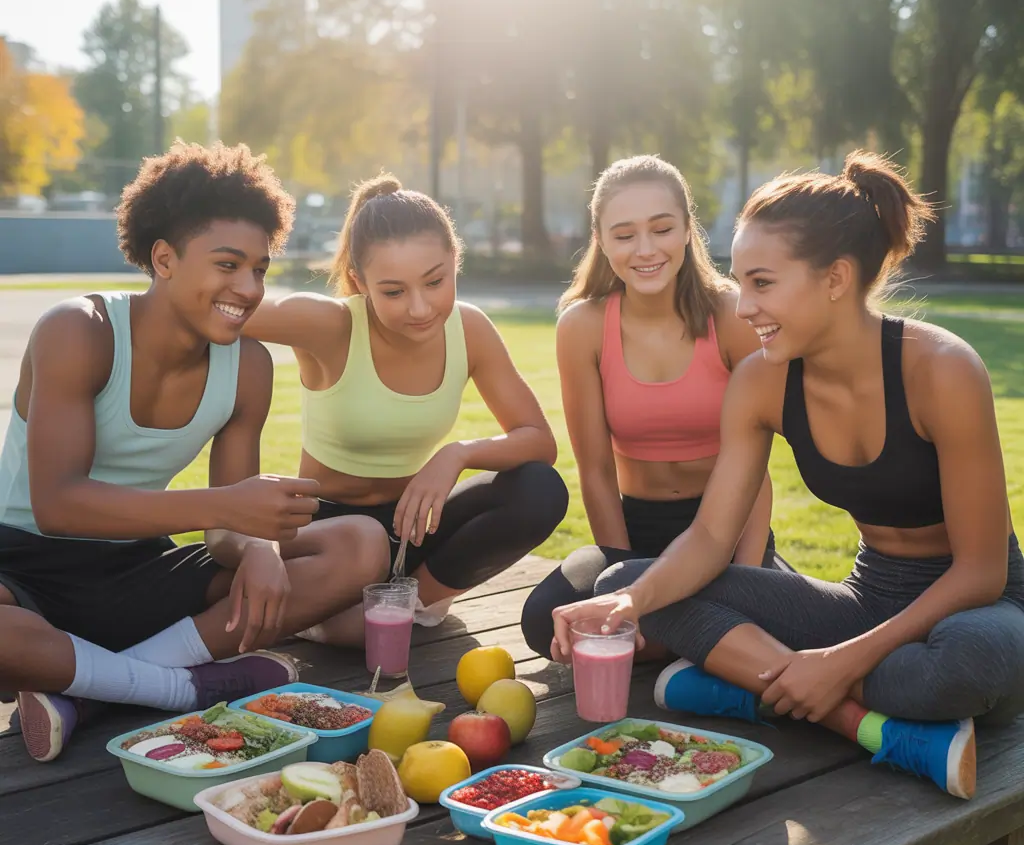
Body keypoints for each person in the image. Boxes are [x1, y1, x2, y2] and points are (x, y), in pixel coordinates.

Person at [553, 151, 1024, 800]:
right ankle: (853, 719)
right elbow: (712, 538)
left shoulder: (941, 369)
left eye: (763, 284)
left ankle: (745, 685)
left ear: (835, 278)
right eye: (741, 282)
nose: (743, 307)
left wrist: (840, 661)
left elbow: (981, 571)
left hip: (976, 607)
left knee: (960, 668)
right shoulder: (762, 381)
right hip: (868, 597)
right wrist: (630, 604)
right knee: (628, 579)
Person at [0, 141, 391, 762]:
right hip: (22, 568)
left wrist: (256, 545)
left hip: (134, 568)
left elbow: (222, 529)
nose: (248, 287)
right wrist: (230, 508)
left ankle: (88, 692)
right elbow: (57, 505)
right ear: (164, 258)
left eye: (259, 269)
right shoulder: (80, 331)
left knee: (360, 546)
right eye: (228, 264)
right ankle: (178, 687)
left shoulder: (248, 369)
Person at [242, 174, 568, 641]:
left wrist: (456, 454)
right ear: (360, 281)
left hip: (410, 527)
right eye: (393, 292)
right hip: (331, 538)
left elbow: (538, 440)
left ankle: (411, 605)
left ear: (455, 260)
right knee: (356, 581)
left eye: (435, 281)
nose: (420, 308)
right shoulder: (329, 325)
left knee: (539, 488)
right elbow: (218, 308)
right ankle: (340, 617)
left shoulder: (469, 329)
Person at [521, 155, 780, 659]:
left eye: (661, 229)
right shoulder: (582, 327)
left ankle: (711, 631)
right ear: (600, 238)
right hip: (634, 530)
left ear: (687, 229)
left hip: (727, 526)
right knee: (542, 621)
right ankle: (708, 641)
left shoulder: (731, 314)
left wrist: (749, 579)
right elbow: (595, 471)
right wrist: (618, 578)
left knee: (742, 607)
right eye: (624, 235)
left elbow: (756, 468)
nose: (645, 250)